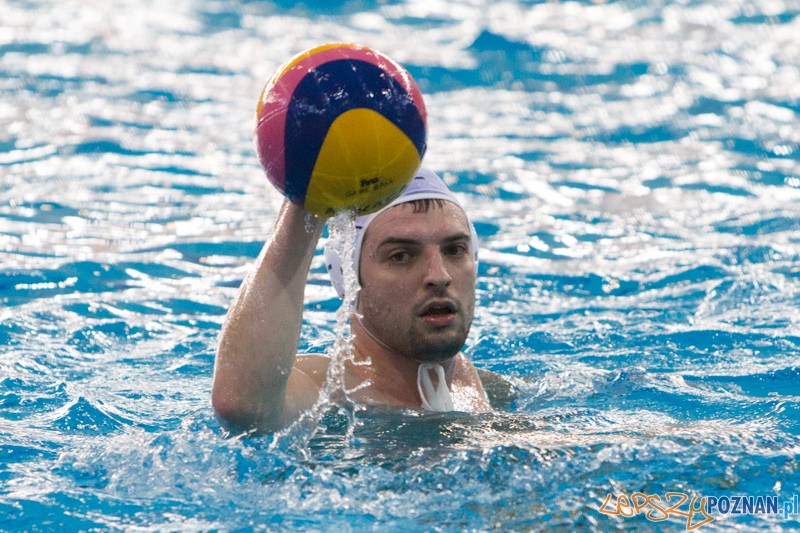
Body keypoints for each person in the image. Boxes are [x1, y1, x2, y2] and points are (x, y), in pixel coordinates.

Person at [211, 168, 493, 435]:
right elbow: (243, 405)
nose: (439, 275)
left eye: (455, 250)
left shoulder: (473, 384)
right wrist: (306, 199)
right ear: (349, 280)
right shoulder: (327, 392)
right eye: (401, 256)